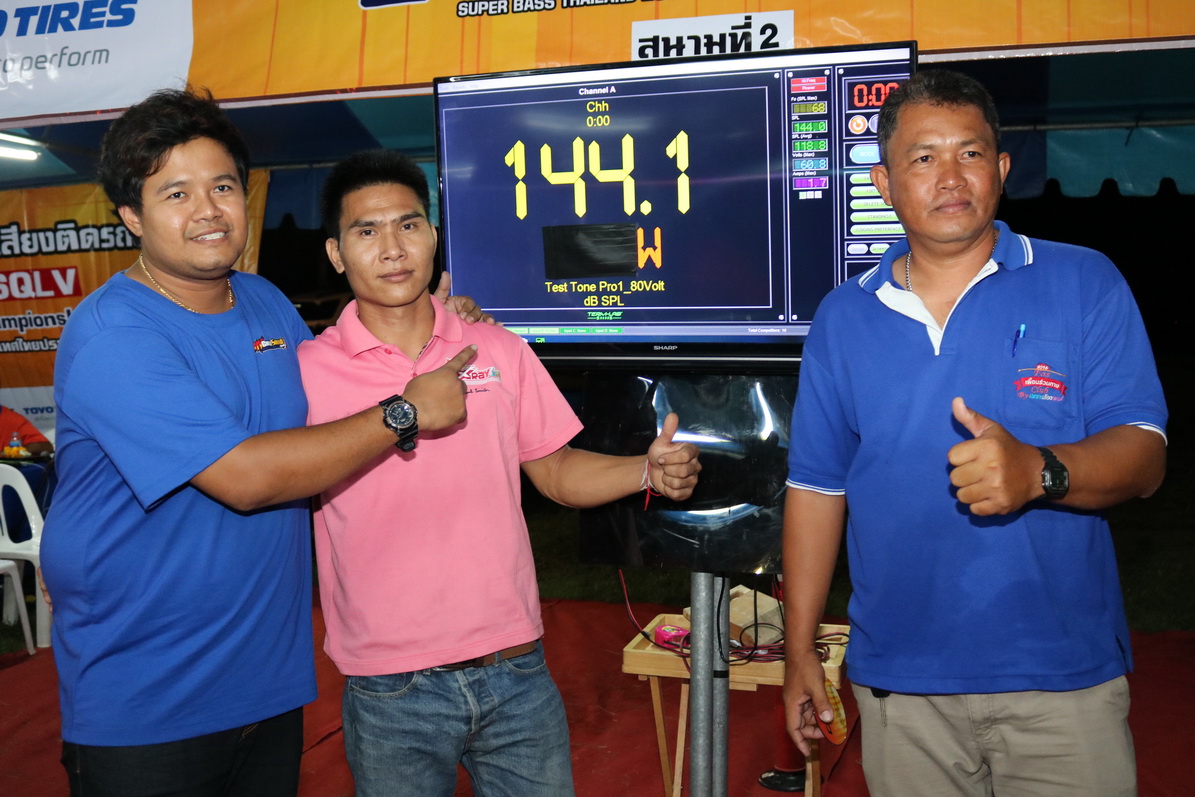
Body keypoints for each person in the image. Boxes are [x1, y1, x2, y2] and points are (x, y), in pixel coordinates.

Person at [41, 88, 488, 796]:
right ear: (131, 216)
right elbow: (245, 477)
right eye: (176, 193)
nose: (208, 210)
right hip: (148, 700)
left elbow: (338, 389)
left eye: (222, 186)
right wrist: (405, 413)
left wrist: (439, 315)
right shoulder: (114, 333)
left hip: (266, 685)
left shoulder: (263, 301)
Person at [781, 69, 1166, 796]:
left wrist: (1039, 471)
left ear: (1002, 168)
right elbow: (816, 488)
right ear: (884, 182)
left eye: (970, 152)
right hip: (900, 686)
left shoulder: (1083, 280)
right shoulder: (842, 316)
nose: (950, 176)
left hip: (1062, 679)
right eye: (923, 157)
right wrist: (799, 649)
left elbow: (1144, 455)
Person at [297, 149, 703, 797]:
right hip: (388, 685)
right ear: (336, 254)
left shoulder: (495, 347)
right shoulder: (306, 372)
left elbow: (556, 470)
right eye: (366, 231)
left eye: (408, 224)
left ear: (433, 236)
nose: (392, 248)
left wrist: (644, 471)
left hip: (515, 669)